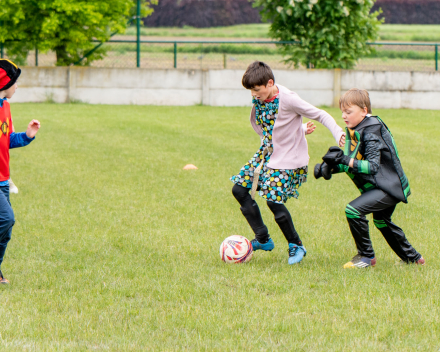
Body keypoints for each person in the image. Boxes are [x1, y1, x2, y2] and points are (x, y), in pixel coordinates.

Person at [230, 61, 345, 265]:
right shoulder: (260, 98)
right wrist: (299, 129)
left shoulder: (289, 99)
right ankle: (263, 239)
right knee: (239, 190)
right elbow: (272, 127)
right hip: (266, 154)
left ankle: (296, 245)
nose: (253, 95)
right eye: (251, 91)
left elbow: (320, 114)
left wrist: (338, 134)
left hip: (288, 159)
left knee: (273, 200)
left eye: (256, 90)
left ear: (270, 83)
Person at [314, 88, 424, 268]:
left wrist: (343, 159)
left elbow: (371, 167)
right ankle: (414, 259)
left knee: (354, 210)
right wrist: (329, 168)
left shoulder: (371, 131)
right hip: (383, 185)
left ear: (364, 111)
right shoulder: (357, 128)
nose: (343, 116)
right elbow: (354, 161)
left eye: (348, 112)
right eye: (342, 111)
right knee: (382, 221)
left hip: (390, 187)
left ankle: (366, 257)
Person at [0, 59, 41, 284]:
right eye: (15, 83)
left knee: (5, 231)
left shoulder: (6, 106)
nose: (17, 87)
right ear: (4, 83)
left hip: (4, 179)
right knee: (6, 218)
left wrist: (27, 136)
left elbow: (7, 141)